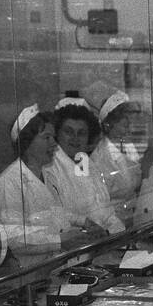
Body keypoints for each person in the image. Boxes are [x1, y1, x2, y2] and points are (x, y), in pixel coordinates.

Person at [0, 105, 94, 252]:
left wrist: (83, 221)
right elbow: (14, 237)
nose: (54, 143)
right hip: (30, 271)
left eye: (53, 137)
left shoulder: (47, 175)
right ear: (27, 142)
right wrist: (59, 241)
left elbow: (55, 212)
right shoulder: (9, 183)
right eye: (47, 137)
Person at [45, 96, 124, 235]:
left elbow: (106, 212)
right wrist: (87, 226)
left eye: (81, 133)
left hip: (102, 244)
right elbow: (55, 216)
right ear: (57, 133)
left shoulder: (86, 163)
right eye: (68, 132)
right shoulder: (49, 168)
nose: (75, 138)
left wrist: (113, 232)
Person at [90, 90, 147, 220]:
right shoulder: (99, 158)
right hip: (113, 220)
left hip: (134, 215)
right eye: (123, 121)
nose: (128, 125)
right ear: (109, 124)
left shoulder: (129, 147)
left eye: (128, 120)